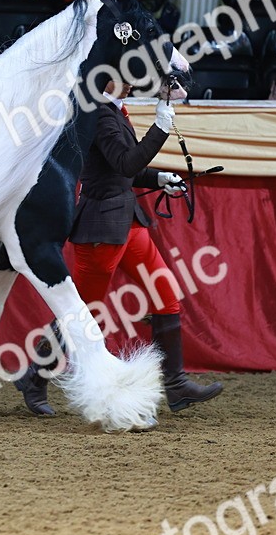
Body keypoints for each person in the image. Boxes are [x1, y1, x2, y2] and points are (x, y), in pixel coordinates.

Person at [14, 81, 223, 417]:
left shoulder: (112, 110)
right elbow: (125, 163)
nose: (131, 82)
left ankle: (176, 383)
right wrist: (160, 127)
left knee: (165, 292)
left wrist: (159, 179)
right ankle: (36, 377)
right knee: (80, 312)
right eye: (123, 77)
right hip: (103, 226)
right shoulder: (96, 112)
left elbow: (125, 170)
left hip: (128, 220)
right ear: (106, 80)